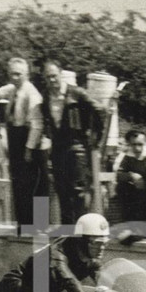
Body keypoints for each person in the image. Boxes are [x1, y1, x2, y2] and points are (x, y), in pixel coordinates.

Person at [39, 60, 110, 224]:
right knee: (61, 189)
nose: (51, 80)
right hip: (58, 147)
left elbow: (101, 110)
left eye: (54, 76)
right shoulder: (46, 97)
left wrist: (96, 135)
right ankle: (67, 233)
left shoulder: (76, 94)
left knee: (78, 191)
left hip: (76, 147)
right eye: (48, 77)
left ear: (60, 75)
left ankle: (80, 229)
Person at [0, 57, 44, 233]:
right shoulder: (14, 88)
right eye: (11, 74)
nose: (14, 77)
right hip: (14, 137)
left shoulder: (32, 93)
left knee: (29, 184)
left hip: (27, 139)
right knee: (17, 182)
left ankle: (34, 225)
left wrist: (29, 149)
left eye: (18, 74)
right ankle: (23, 224)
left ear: (26, 74)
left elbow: (37, 125)